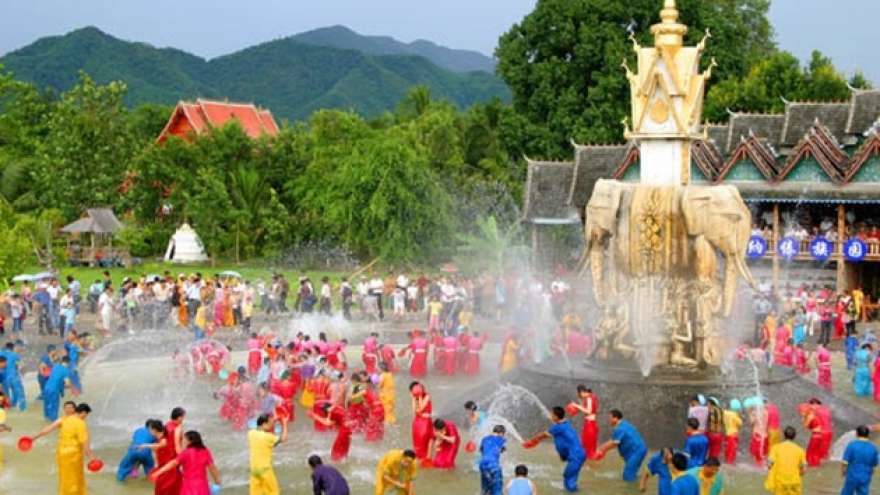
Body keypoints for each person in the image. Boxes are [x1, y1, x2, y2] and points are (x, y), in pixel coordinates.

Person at [31, 403, 100, 495]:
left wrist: (32, 438)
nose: (85, 417)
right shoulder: (81, 424)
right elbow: (85, 445)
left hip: (61, 453)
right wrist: (93, 458)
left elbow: (46, 430)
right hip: (73, 455)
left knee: (64, 477)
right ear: (83, 412)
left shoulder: (65, 419)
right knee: (74, 479)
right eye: (86, 415)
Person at [525, 406, 586, 492]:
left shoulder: (559, 427)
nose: (550, 415)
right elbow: (565, 442)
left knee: (568, 477)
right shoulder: (565, 424)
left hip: (576, 456)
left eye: (552, 414)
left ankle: (573, 491)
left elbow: (543, 435)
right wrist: (564, 455)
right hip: (577, 455)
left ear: (556, 416)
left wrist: (532, 441)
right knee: (568, 476)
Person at [149, 430, 221, 495]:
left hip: (189, 485)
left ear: (190, 441)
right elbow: (212, 467)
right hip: (202, 485)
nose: (184, 441)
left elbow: (173, 463)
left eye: (185, 439)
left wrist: (159, 472)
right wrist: (217, 481)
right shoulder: (205, 452)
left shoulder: (186, 452)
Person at [598, 409, 648, 482]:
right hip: (636, 451)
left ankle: (633, 488)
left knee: (627, 475)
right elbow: (612, 441)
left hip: (636, 452)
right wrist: (600, 448)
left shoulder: (620, 429)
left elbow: (614, 443)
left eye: (610, 417)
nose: (609, 420)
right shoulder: (624, 425)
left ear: (615, 418)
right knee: (631, 473)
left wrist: (600, 450)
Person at [248, 413, 289, 495]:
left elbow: (260, 426)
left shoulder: (251, 433)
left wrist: (273, 420)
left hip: (254, 469)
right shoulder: (268, 437)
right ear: (264, 424)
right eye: (270, 423)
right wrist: (285, 424)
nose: (272, 425)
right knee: (273, 492)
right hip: (265, 469)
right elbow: (284, 439)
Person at [765, 426, 806, 495]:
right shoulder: (800, 450)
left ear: (784, 436)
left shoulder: (775, 448)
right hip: (794, 481)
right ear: (794, 437)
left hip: (780, 481)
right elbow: (804, 470)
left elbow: (769, 465)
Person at [840, 425, 879, 495]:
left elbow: (845, 461)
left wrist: (843, 471)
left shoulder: (852, 445)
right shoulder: (873, 447)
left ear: (857, 434)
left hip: (852, 474)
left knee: (847, 492)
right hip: (866, 475)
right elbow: (874, 464)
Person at [43, 356, 76, 422]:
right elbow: (67, 384)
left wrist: (61, 391)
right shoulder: (65, 371)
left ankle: (46, 421)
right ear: (68, 363)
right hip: (54, 390)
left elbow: (56, 378)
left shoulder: (55, 367)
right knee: (53, 409)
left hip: (46, 388)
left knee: (47, 407)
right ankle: (53, 423)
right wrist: (73, 389)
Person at [571, 384, 599, 459]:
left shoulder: (589, 398)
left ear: (582, 392)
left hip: (589, 425)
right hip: (593, 424)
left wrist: (577, 406)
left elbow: (588, 411)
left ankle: (585, 462)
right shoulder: (593, 396)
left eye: (579, 394)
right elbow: (591, 408)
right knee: (591, 448)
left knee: (586, 447)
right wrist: (581, 404)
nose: (580, 396)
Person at [480, 425, 508, 495]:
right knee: (497, 489)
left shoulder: (485, 439)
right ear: (501, 433)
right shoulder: (502, 440)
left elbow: (481, 450)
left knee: (485, 489)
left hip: (482, 464)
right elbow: (503, 449)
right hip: (494, 465)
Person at [409, 381, 433, 460]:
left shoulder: (426, 396)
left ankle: (427, 458)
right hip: (417, 421)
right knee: (417, 443)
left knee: (426, 440)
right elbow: (414, 410)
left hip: (425, 421)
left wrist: (419, 397)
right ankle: (419, 459)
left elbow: (421, 408)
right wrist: (414, 398)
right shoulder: (414, 397)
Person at [723, 399, 743, 464]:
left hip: (727, 434)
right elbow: (740, 423)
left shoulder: (725, 413)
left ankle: (727, 461)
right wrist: (739, 416)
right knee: (732, 450)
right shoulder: (735, 415)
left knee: (727, 449)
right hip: (734, 435)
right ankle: (730, 463)